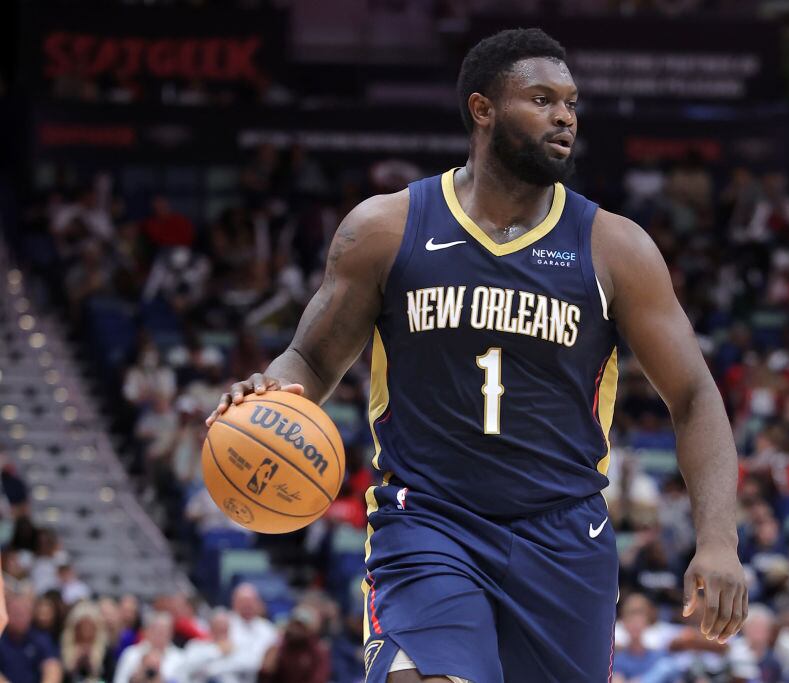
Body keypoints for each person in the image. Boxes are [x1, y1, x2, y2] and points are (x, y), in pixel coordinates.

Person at [207, 27, 746, 683]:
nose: (564, 117)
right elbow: (311, 362)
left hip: (563, 537)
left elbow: (694, 395)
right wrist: (268, 392)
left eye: (571, 103)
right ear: (482, 108)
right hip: (429, 520)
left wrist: (717, 539)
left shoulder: (613, 248)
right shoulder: (386, 228)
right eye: (542, 99)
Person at [0, 592, 61, 683]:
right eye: (15, 613)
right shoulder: (2, 638)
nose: (20, 617)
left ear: (30, 615)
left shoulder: (40, 638)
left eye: (23, 613)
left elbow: (52, 667)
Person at [111, 612, 184, 683]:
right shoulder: (131, 653)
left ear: (171, 634)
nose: (159, 635)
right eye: (156, 630)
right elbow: (119, 680)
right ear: (147, 631)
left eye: (164, 631)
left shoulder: (179, 659)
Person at [227, 584, 277, 683]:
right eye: (243, 602)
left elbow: (269, 664)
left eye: (251, 601)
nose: (247, 605)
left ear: (258, 604)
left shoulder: (268, 629)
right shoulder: (225, 625)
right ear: (234, 603)